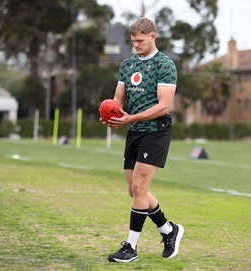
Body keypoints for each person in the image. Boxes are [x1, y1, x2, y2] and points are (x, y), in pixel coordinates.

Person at [101, 17, 184, 263]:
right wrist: (110, 112)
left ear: (152, 37)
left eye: (140, 40)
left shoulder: (165, 65)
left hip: (156, 131)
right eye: (133, 41)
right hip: (134, 131)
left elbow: (164, 106)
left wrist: (130, 118)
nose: (136, 45)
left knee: (139, 188)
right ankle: (169, 230)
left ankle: (131, 247)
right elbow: (119, 98)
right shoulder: (127, 65)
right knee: (134, 191)